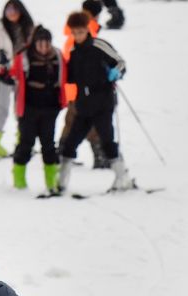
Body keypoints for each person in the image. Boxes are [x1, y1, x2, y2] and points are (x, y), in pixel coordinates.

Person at [55, 11, 131, 193]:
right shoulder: (73, 52)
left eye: (80, 32)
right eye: (74, 32)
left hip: (103, 103)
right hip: (83, 106)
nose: (77, 36)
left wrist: (115, 73)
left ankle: (123, 179)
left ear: (87, 30)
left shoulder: (99, 45)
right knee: (71, 143)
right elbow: (70, 77)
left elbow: (120, 62)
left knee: (107, 141)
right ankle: (61, 182)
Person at [2, 26, 67, 192]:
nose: (44, 48)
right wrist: (2, 70)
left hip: (50, 109)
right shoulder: (24, 57)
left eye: (47, 44)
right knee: (26, 143)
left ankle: (51, 182)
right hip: (29, 109)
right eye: (40, 44)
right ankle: (19, 180)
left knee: (48, 145)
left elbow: (68, 73)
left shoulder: (58, 57)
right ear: (35, 44)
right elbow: (11, 73)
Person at [0, 1, 35, 159]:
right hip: (4, 73)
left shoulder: (29, 28)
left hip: (23, 74)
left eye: (14, 9)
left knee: (22, 109)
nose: (11, 13)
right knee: (2, 108)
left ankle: (23, 141)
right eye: (8, 9)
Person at [62, 4, 108, 169]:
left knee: (71, 122)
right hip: (82, 90)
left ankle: (62, 153)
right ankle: (100, 156)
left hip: (77, 89)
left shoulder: (74, 34)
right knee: (90, 124)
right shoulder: (83, 35)